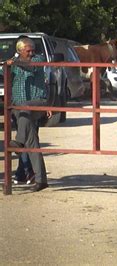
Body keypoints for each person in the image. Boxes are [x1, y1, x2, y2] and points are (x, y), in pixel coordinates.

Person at [1, 37, 52, 192]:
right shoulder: (13, 62)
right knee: (32, 143)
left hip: (37, 102)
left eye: (32, 50)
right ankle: (41, 179)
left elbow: (31, 68)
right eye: (27, 50)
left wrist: (15, 62)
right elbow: (5, 70)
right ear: (19, 51)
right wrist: (8, 64)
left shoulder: (38, 59)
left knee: (25, 110)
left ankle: (18, 141)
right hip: (19, 107)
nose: (31, 53)